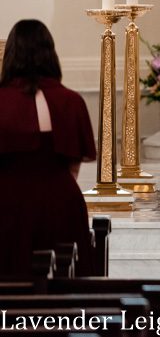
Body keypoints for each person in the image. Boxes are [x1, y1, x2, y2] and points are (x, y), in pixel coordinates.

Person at [0, 19, 96, 276]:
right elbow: (73, 164)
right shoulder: (71, 100)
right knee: (65, 281)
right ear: (50, 54)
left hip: (7, 206)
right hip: (60, 202)